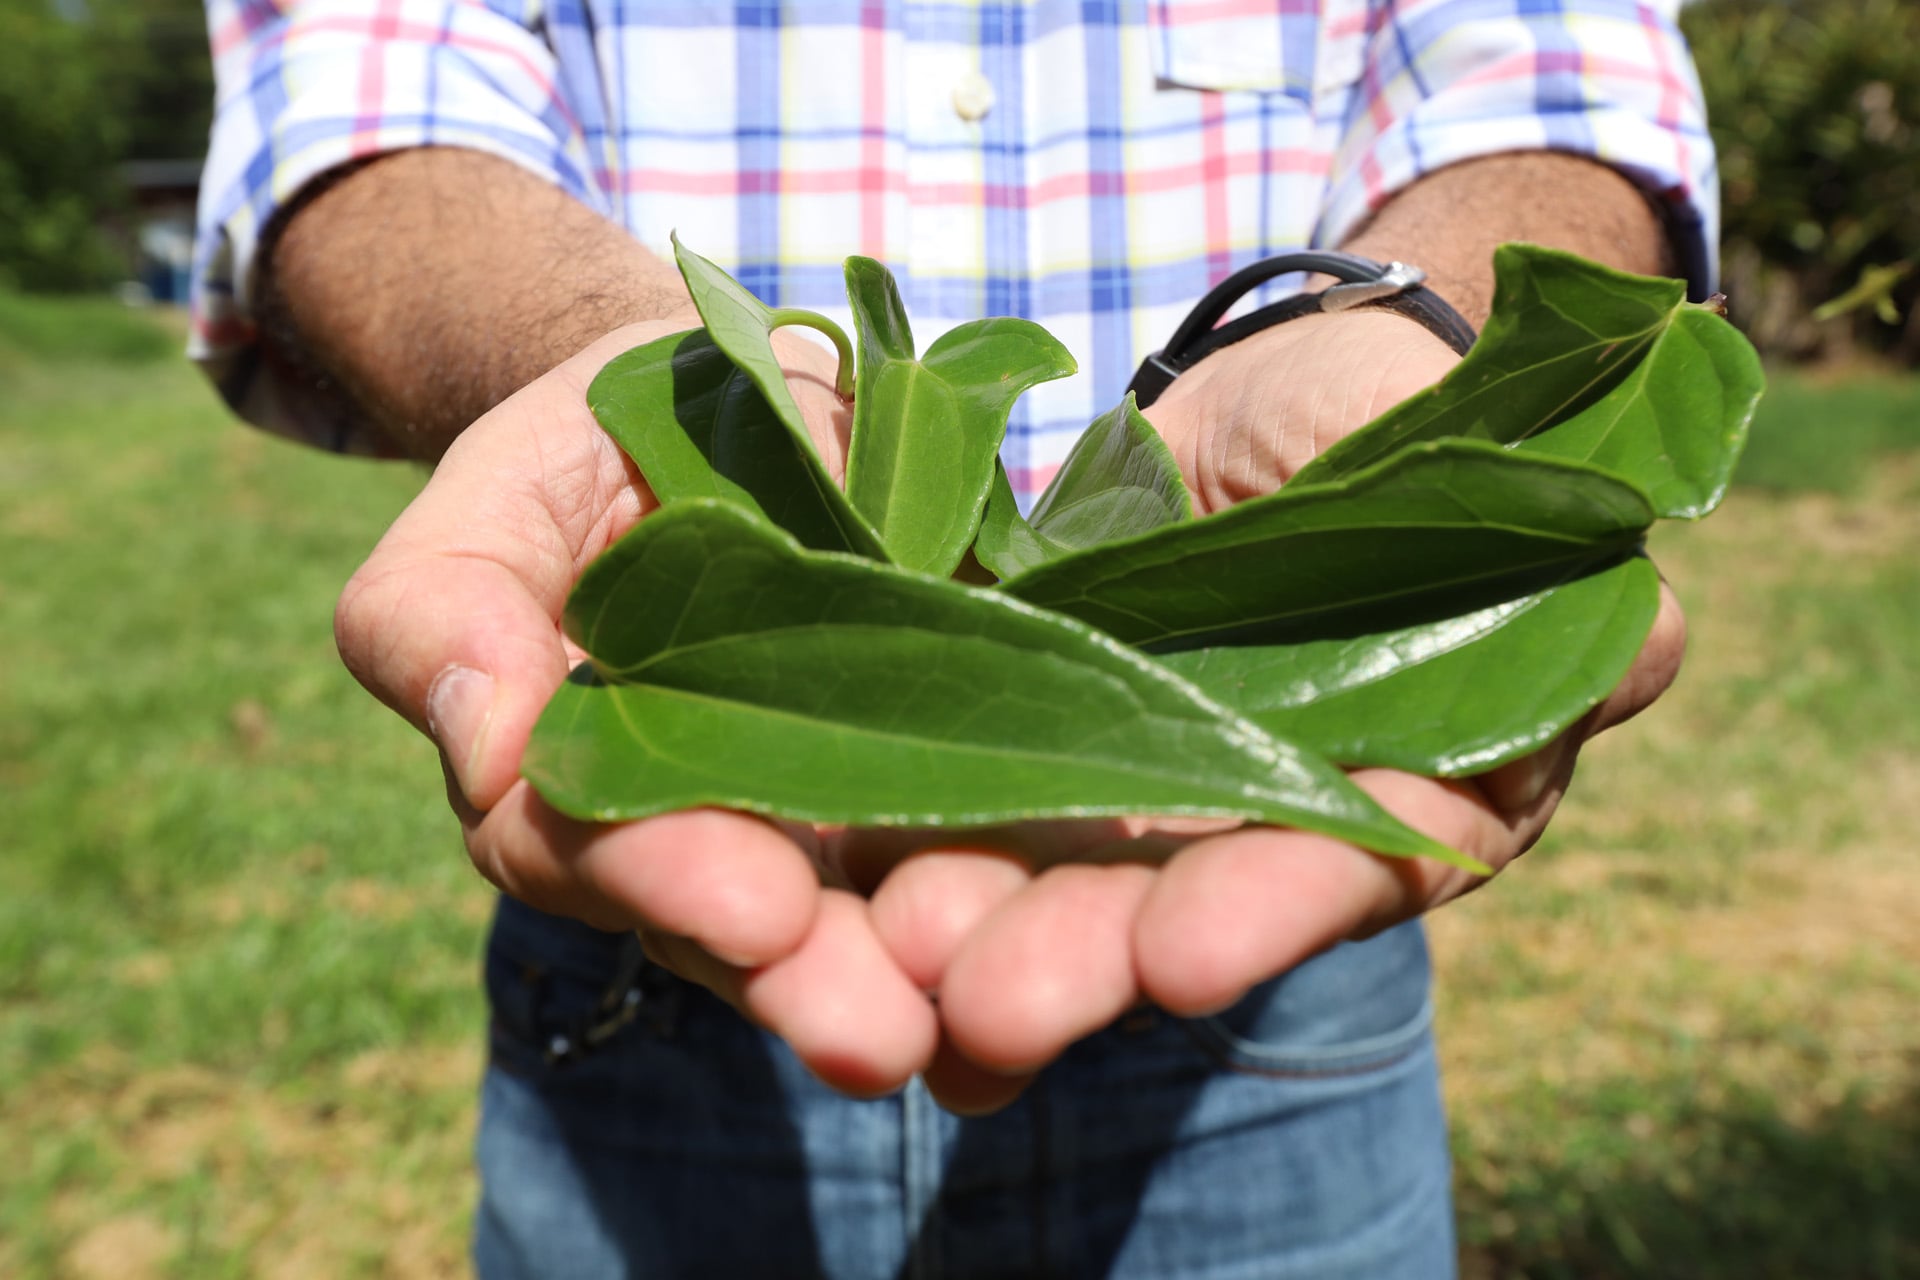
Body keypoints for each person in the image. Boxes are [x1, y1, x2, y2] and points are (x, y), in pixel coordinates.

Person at [192, 2, 1710, 1274]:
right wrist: (631, 376)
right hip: (647, 969)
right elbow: (357, 93)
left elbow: (1551, 68)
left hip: (1277, 981)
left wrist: (1420, 363)